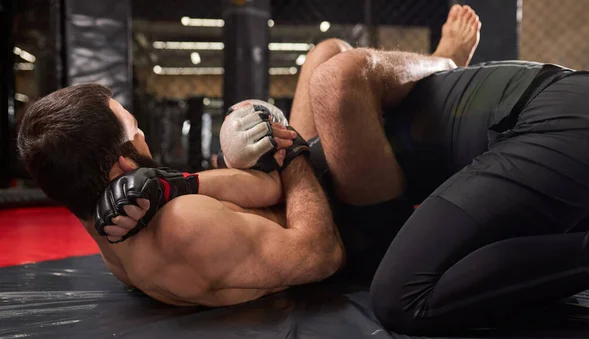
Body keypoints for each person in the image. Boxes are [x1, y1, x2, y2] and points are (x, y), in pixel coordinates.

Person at [97, 3, 589, 336]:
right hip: (545, 124)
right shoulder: (324, 159)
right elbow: (327, 54)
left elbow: (335, 74)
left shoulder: (331, 162)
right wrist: (178, 183)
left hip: (552, 121)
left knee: (403, 296)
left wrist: (444, 60)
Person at [17, 5, 482, 308]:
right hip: (349, 232)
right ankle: (445, 62)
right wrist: (291, 149)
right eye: (132, 128)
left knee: (326, 51)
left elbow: (250, 195)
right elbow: (322, 254)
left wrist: (238, 165)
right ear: (121, 163)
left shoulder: (118, 215)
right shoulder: (182, 225)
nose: (140, 127)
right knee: (341, 75)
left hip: (294, 205)